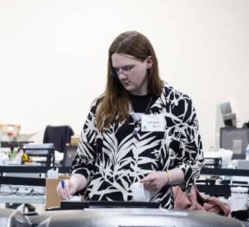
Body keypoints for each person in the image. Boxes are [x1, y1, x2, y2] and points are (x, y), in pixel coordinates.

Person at [57, 31, 204, 208]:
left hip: (154, 212)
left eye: (128, 68)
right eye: (116, 70)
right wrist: (73, 183)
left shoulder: (178, 105)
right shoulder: (102, 107)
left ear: (149, 62)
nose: (121, 76)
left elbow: (193, 163)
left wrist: (166, 177)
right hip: (102, 209)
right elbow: (84, 164)